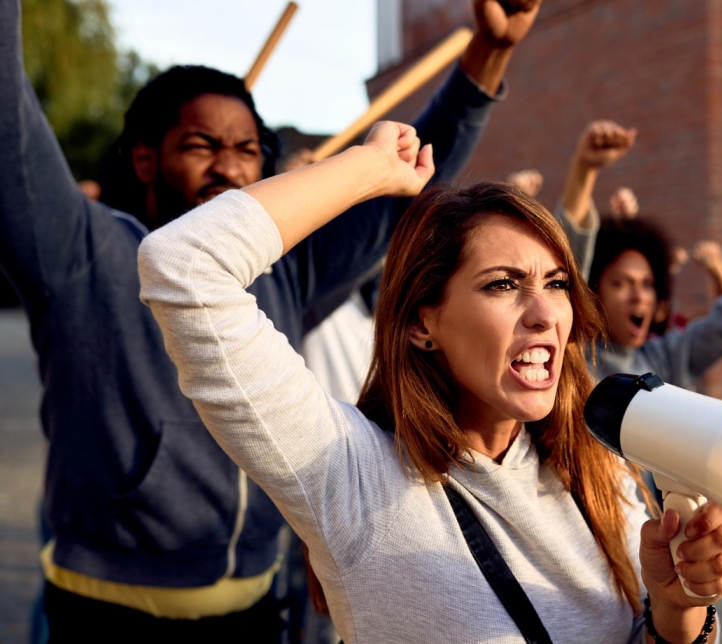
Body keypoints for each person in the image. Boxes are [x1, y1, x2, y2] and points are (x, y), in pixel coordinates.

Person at [0, 0, 534, 637]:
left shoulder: (286, 272)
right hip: (104, 615)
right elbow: (10, 129)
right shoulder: (79, 252)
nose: (228, 166)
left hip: (256, 613)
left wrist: (487, 54)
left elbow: (405, 190)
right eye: (201, 145)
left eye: (247, 150)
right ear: (145, 161)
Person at [137, 119, 722, 644]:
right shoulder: (349, 472)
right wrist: (367, 171)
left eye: (557, 283)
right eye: (503, 284)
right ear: (422, 323)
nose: (543, 313)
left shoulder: (599, 468)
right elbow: (183, 266)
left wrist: (677, 610)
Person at [555, 120, 722, 388]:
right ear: (592, 294)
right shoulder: (570, 357)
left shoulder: (670, 358)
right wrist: (585, 169)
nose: (639, 296)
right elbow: (567, 267)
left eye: (647, 285)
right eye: (620, 283)